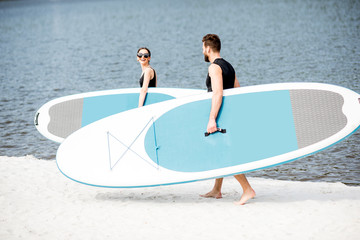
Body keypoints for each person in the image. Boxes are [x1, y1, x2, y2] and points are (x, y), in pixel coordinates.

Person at [200, 34, 256, 205]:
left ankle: (248, 189)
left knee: (225, 153)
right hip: (230, 114)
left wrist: (212, 119)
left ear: (208, 48)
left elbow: (218, 93)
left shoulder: (214, 68)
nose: (202, 51)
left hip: (221, 115)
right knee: (220, 150)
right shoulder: (229, 66)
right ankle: (217, 189)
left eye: (203, 48)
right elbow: (238, 90)